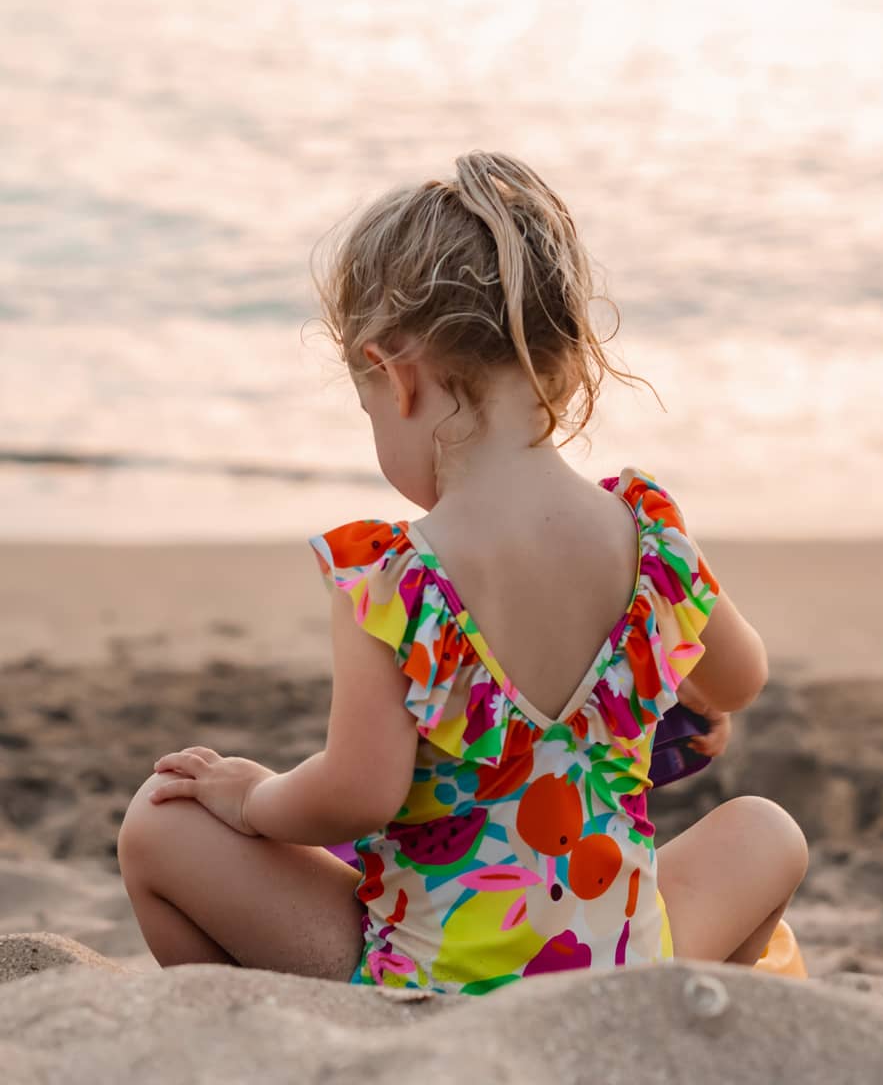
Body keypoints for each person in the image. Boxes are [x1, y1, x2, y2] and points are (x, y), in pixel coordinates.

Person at [118, 151, 808, 992]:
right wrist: (675, 685)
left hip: (434, 984)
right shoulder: (650, 539)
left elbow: (358, 793)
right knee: (766, 831)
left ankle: (263, 1033)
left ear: (395, 376)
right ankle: (694, 1025)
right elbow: (740, 678)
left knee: (157, 827)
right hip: (618, 965)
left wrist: (254, 798)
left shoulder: (396, 578)